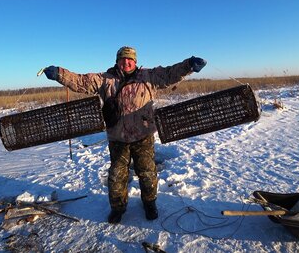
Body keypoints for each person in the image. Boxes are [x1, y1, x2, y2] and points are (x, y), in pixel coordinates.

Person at [43, 46, 207, 224]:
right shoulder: (105, 79)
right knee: (116, 175)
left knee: (147, 173)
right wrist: (60, 74)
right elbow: (81, 81)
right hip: (117, 137)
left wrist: (189, 65)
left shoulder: (149, 76)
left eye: (130, 59)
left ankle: (150, 204)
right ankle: (118, 208)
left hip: (143, 135)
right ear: (117, 61)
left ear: (135, 62)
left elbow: (170, 74)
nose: (126, 62)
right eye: (122, 59)